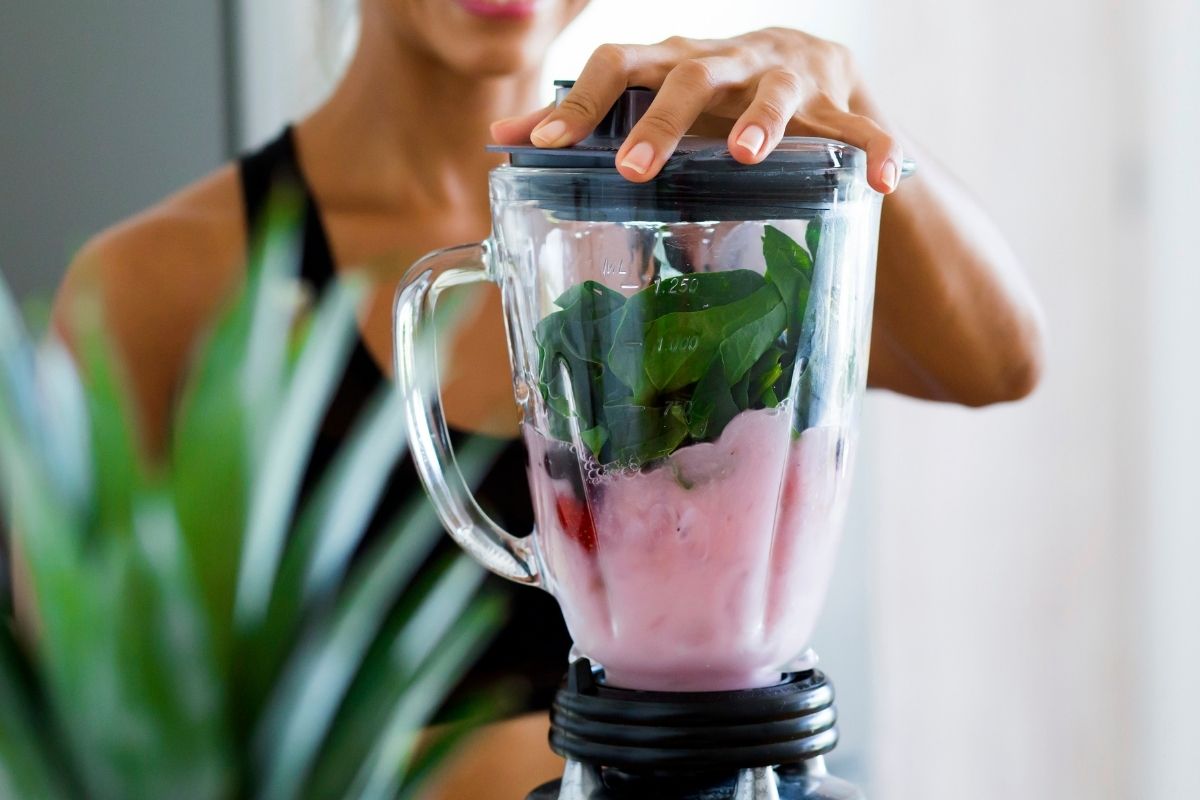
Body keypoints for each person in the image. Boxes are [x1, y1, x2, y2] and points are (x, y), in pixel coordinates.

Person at [49, 0, 1045, 796]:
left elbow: (1000, 360)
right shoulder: (160, 285)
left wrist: (843, 94)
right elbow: (104, 743)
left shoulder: (693, 218)